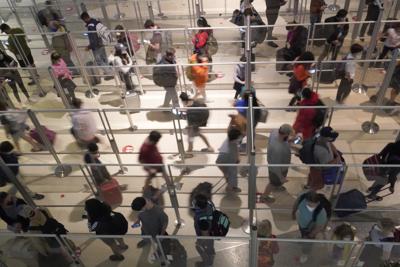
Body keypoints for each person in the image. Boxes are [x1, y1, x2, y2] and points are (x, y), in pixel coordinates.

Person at [292, 191, 328, 264]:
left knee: (308, 243)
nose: (310, 206)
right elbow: (297, 204)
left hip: (311, 230)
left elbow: (319, 226)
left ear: (318, 203)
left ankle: (305, 254)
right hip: (302, 225)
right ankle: (302, 238)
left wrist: (310, 235)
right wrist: (294, 212)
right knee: (302, 233)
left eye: (313, 205)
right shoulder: (303, 199)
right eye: (308, 204)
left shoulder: (321, 212)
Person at [262, 124, 293, 202]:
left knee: (276, 182)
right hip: (277, 169)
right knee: (272, 183)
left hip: (280, 165)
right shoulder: (277, 149)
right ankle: (264, 197)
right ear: (286, 134)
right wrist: (281, 177)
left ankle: (278, 185)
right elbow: (275, 167)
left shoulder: (275, 131)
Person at [80, 12, 113, 80]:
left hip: (96, 46)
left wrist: (90, 46)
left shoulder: (91, 26)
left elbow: (93, 38)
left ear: (84, 19)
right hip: (102, 43)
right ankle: (109, 72)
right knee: (104, 59)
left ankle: (109, 73)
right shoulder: (96, 22)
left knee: (99, 61)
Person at [216, 128, 242, 193]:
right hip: (227, 160)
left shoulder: (228, 140)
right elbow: (235, 156)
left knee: (228, 174)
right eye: (239, 137)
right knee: (232, 173)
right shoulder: (232, 146)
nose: (240, 137)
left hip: (220, 161)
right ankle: (230, 188)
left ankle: (230, 185)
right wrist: (237, 159)